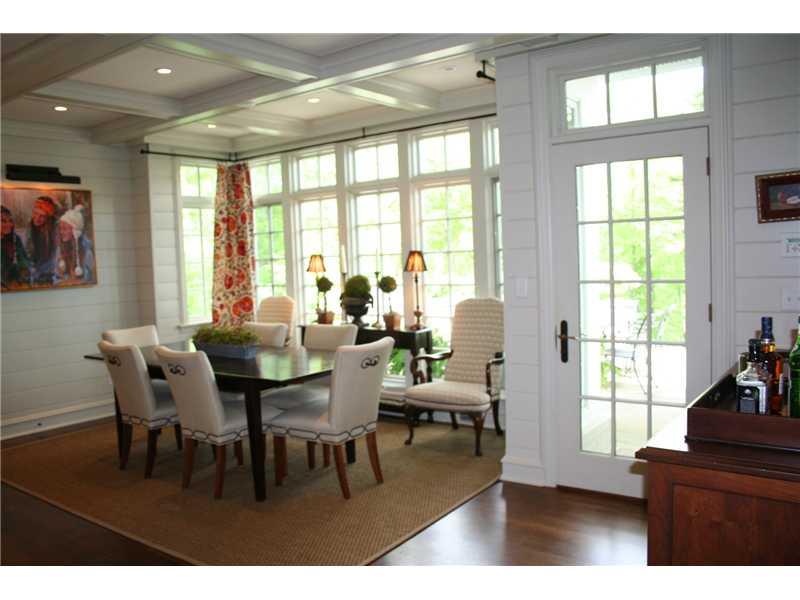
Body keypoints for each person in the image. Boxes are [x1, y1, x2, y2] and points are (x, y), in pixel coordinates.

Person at [55, 204, 94, 284]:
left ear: (75, 232)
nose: (61, 232)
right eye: (60, 229)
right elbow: (57, 276)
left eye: (65, 229)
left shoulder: (86, 253)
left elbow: (87, 280)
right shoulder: (60, 251)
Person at [27, 195, 60, 284]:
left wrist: (37, 272)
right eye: (35, 213)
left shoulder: (54, 231)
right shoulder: (30, 228)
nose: (37, 218)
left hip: (49, 274)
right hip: (34, 274)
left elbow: (55, 257)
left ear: (48, 218)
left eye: (42, 216)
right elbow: (28, 253)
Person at [1, 205, 30, 289]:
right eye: (3, 221)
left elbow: (23, 260)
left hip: (16, 283)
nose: (8, 224)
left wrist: (24, 273)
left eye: (10, 221)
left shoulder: (15, 239)